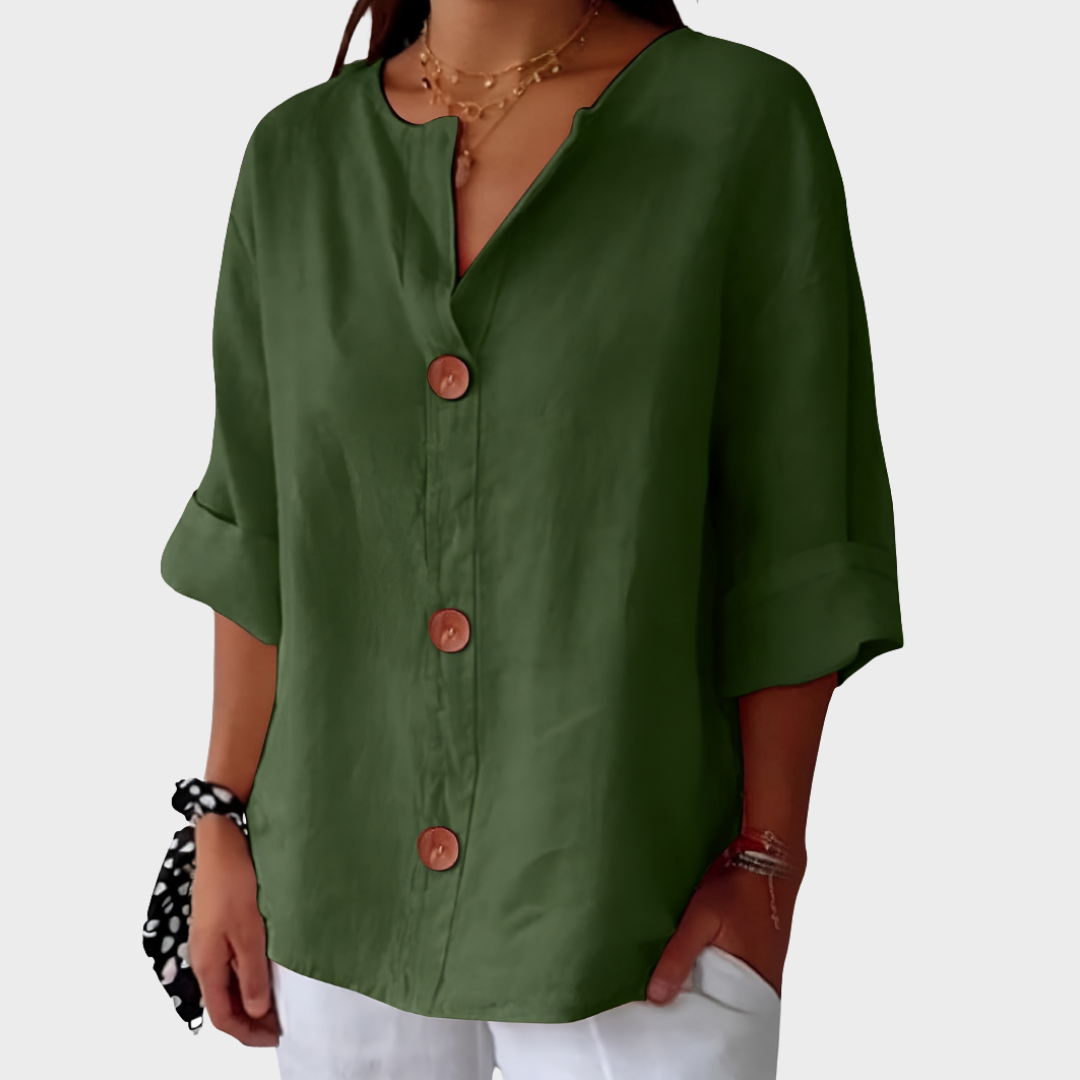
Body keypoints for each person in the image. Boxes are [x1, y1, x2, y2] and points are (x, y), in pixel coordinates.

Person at [160, 0, 902, 1075]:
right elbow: (259, 524)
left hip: (638, 908)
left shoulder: (740, 123)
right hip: (334, 893)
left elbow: (797, 535)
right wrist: (220, 820)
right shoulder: (295, 159)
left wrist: (768, 864)